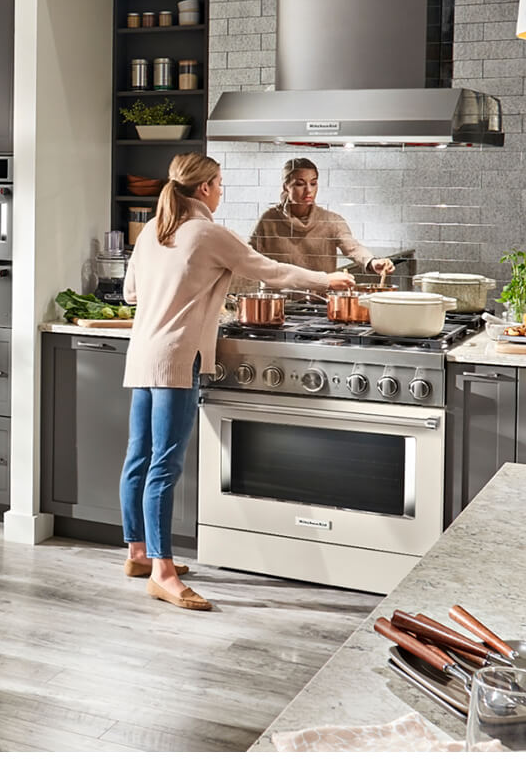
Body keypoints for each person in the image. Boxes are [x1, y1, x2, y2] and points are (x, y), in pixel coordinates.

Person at [120, 153, 355, 611]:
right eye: (221, 183)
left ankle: (138, 554)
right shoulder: (208, 232)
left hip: (143, 352)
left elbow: (131, 293)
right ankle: (164, 575)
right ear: (205, 188)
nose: (222, 191)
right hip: (175, 359)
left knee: (138, 456)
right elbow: (270, 270)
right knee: (164, 466)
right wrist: (327, 279)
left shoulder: (153, 230)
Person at [249, 157, 397, 278]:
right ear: (285, 187)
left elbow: (353, 248)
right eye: (300, 184)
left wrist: (372, 262)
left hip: (319, 301)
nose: (309, 190)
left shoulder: (331, 221)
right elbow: (248, 256)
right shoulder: (269, 220)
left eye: (313, 183)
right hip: (277, 302)